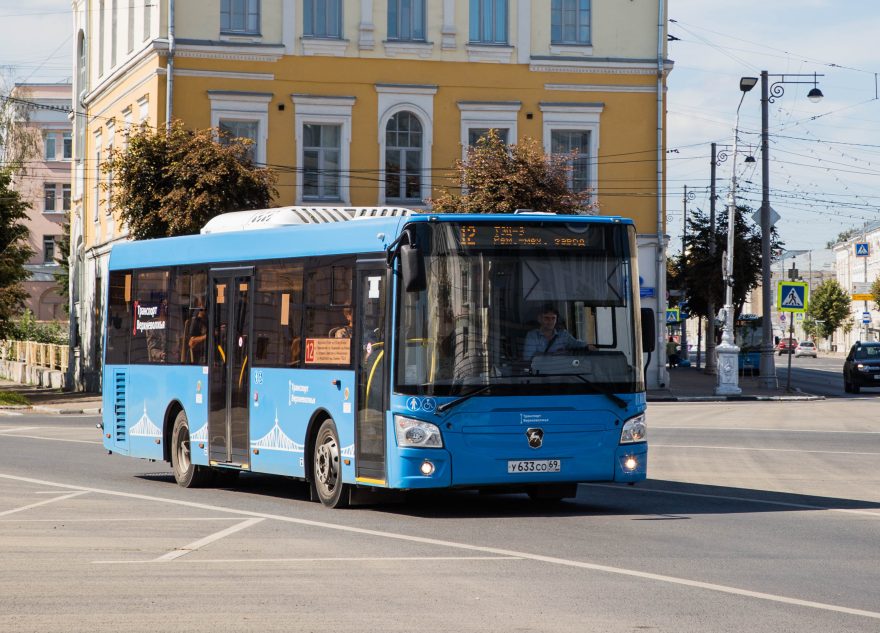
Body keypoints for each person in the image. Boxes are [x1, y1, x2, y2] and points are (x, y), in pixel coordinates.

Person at [523, 304, 588, 361]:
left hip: (561, 372)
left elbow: (576, 344)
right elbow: (528, 358)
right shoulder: (533, 335)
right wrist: (555, 355)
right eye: (546, 318)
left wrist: (588, 346)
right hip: (540, 372)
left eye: (553, 318)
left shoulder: (563, 335)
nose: (550, 322)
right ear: (539, 319)